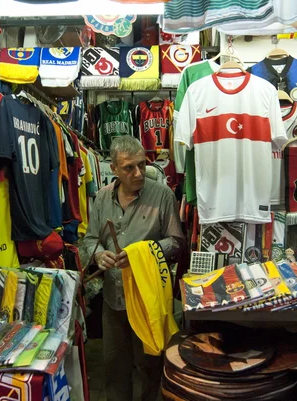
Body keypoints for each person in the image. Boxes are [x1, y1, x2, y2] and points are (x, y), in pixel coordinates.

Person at [83, 135, 185, 401]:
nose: (138, 173)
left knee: (149, 366)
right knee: (114, 368)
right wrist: (99, 257)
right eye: (129, 168)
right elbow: (90, 240)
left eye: (142, 164)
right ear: (114, 169)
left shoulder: (162, 195)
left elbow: (176, 243)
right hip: (113, 300)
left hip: (147, 298)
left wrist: (142, 254)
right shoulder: (103, 197)